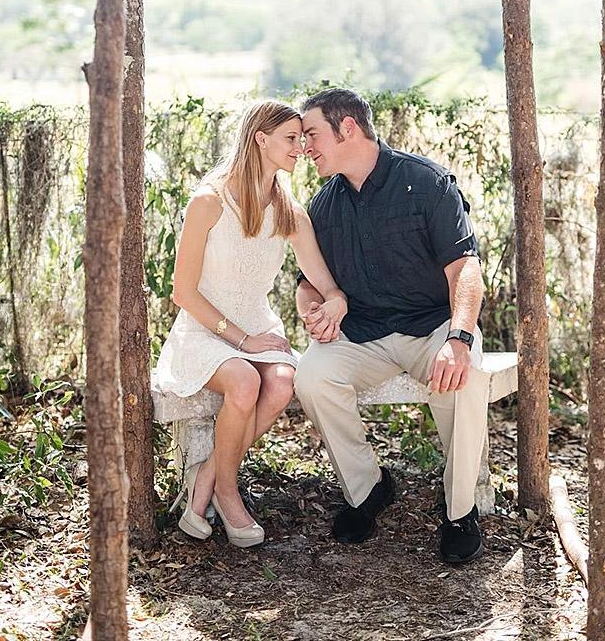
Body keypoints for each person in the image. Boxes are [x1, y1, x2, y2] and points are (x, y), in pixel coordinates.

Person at [294, 88, 490, 564]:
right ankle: (368, 489)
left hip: (432, 328)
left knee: (465, 379)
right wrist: (313, 309)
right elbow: (308, 283)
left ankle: (461, 511)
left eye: (312, 134)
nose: (304, 147)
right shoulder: (323, 206)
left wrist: (459, 339)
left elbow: (465, 270)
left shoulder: (425, 183)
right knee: (312, 377)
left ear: (348, 128)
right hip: (365, 336)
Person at [155, 100, 347, 547]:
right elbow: (183, 293)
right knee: (244, 381)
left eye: (303, 139)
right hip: (204, 330)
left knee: (282, 382)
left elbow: (325, 282)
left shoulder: (289, 211)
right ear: (260, 139)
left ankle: (207, 475)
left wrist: (334, 302)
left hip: (257, 325)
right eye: (291, 139)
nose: (301, 147)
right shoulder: (209, 202)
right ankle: (226, 490)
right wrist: (243, 339)